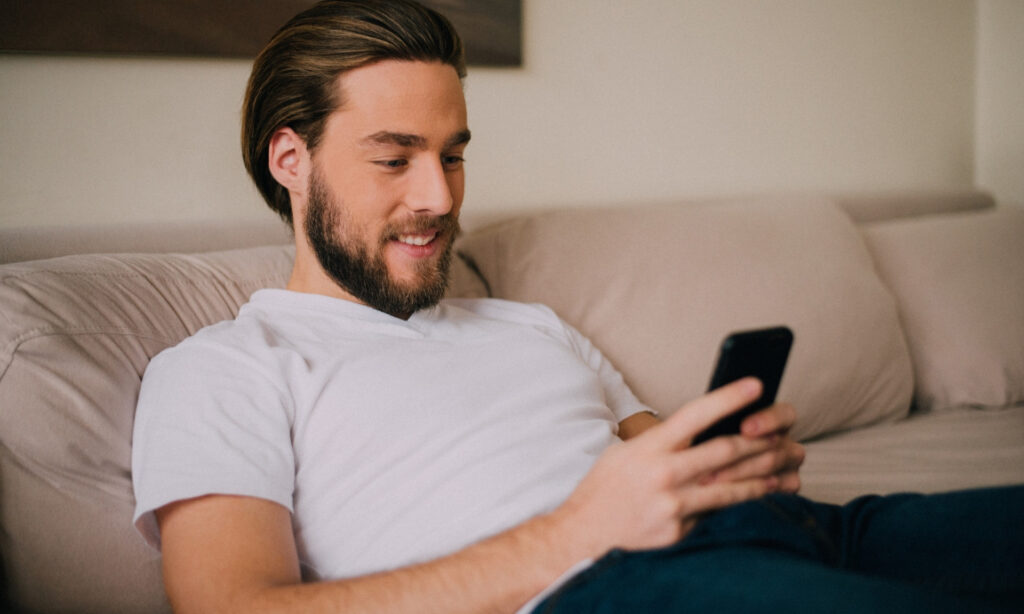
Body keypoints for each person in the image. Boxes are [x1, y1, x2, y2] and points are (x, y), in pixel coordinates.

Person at [131, 2, 1024, 612]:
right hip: (609, 596)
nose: (440, 198)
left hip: (802, 532)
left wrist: (728, 465)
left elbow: (655, 463)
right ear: (291, 161)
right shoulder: (224, 369)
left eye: (452, 154)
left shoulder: (530, 323)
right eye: (394, 158)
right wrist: (577, 532)